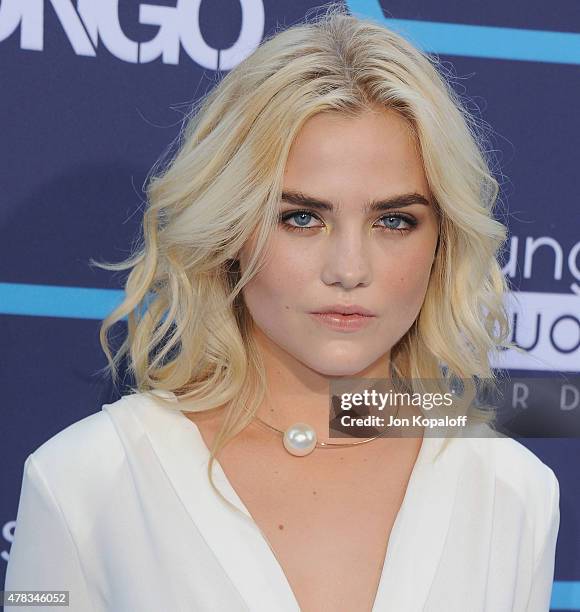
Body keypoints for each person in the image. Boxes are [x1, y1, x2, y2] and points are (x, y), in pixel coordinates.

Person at [4, 4, 559, 611]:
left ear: (442, 242)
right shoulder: (80, 483)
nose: (349, 269)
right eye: (301, 218)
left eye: (394, 220)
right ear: (231, 231)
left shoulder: (514, 492)